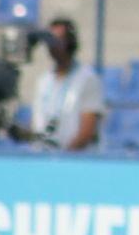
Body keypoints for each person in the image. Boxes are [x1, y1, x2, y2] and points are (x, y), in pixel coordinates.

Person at [15, 17, 104, 151]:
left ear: (70, 43)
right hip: (44, 159)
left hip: (74, 160)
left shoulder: (87, 79)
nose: (52, 46)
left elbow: (87, 131)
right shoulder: (44, 81)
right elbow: (38, 123)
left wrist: (63, 158)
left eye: (57, 40)